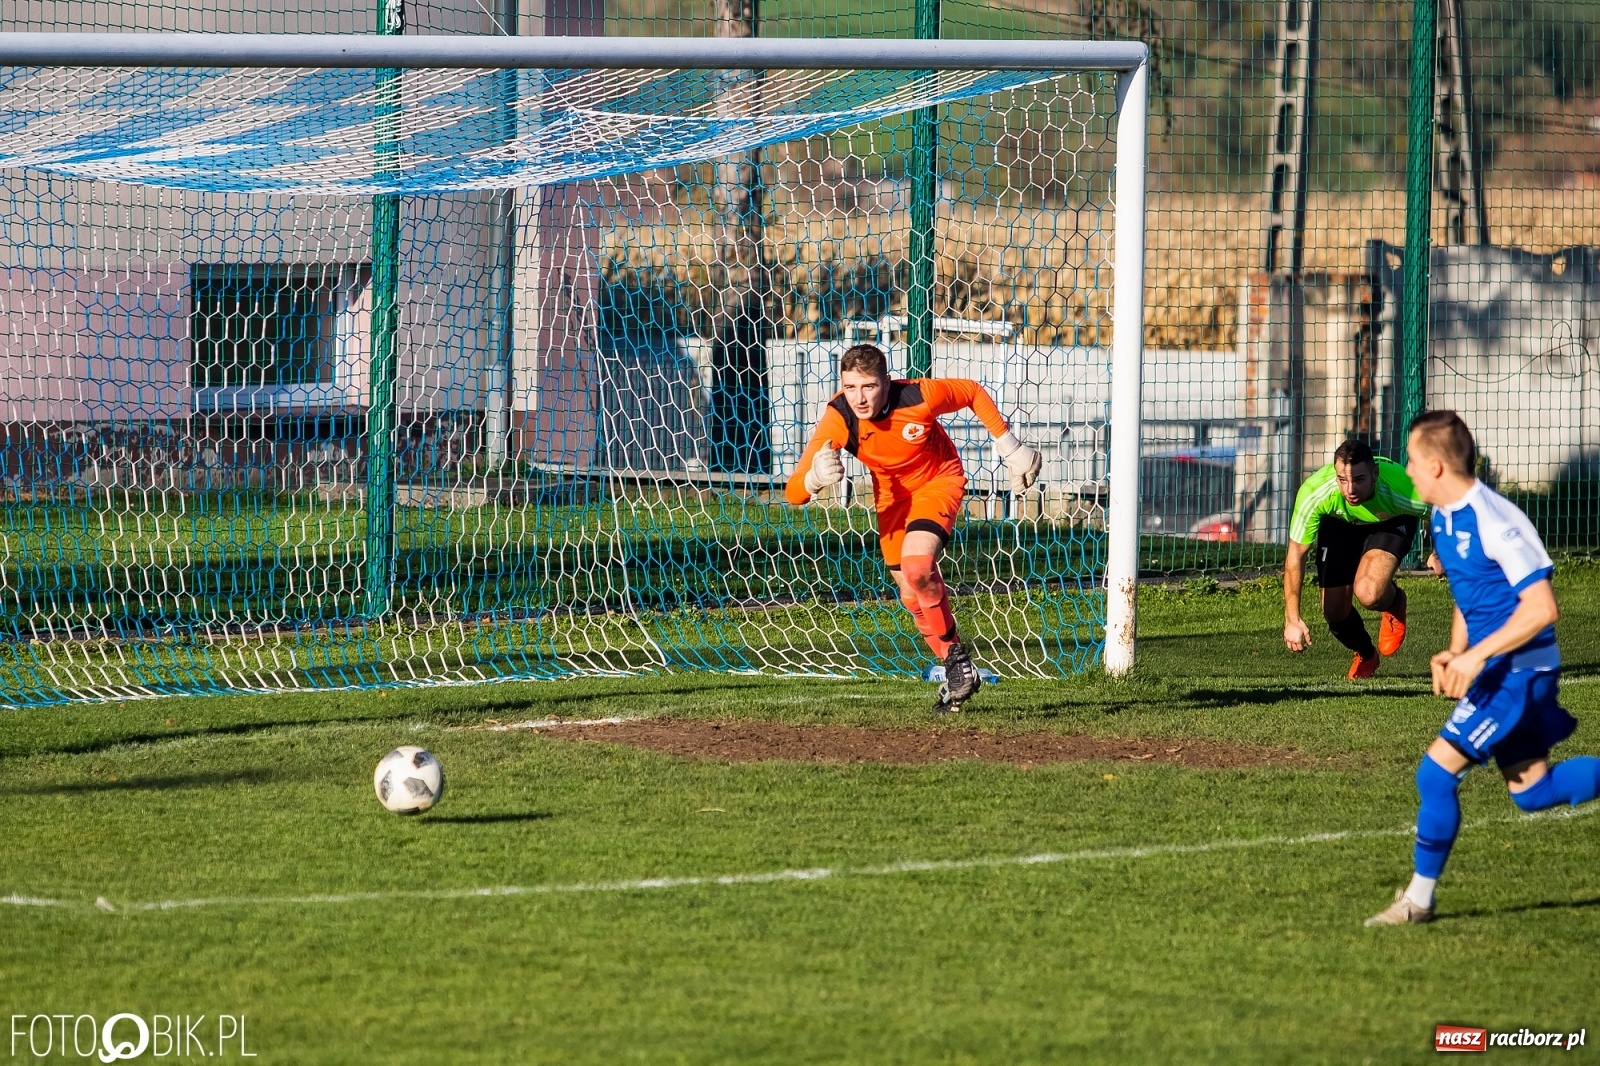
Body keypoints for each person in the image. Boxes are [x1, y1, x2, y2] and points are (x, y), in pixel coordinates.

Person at [1366, 411, 1600, 926]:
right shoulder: (1443, 517)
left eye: (1411, 459)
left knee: (1435, 774)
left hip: (1520, 672)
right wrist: (1457, 650)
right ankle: (1419, 902)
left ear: (1435, 466)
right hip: (1500, 669)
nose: (1406, 469)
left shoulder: (1496, 520)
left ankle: (1418, 902)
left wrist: (1476, 658)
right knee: (1533, 791)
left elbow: (1542, 608)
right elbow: (1468, 591)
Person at [784, 343, 1041, 712]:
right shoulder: (838, 417)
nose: (859, 397)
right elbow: (793, 492)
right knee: (909, 594)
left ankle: (955, 662)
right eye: (850, 387)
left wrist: (1010, 447)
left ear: (887, 383)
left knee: (918, 567)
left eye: (869, 386)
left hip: (939, 480)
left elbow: (971, 391)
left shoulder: (917, 395)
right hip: (892, 499)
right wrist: (814, 479)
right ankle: (958, 670)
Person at [1283, 438, 1430, 678]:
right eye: (1342, 480)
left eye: (1359, 480)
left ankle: (1393, 602)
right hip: (1340, 524)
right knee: (1333, 611)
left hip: (1390, 520)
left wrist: (1439, 551)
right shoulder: (1315, 493)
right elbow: (1295, 555)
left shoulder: (1404, 490)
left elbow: (1450, 512)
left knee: (1369, 593)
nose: (1350, 489)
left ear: (1375, 474)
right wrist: (1292, 618)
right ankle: (1365, 654)